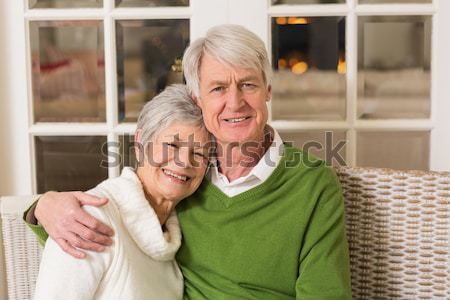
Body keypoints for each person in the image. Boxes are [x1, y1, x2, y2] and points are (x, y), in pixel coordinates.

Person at [26, 24, 352, 299]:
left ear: (267, 90)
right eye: (218, 88)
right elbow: (112, 227)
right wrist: (44, 206)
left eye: (248, 85)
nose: (234, 102)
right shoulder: (186, 180)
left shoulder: (313, 184)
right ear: (199, 100)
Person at [32, 84, 211, 300]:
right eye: (172, 145)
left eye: (199, 153)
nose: (183, 162)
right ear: (140, 143)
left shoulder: (174, 241)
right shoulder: (88, 220)